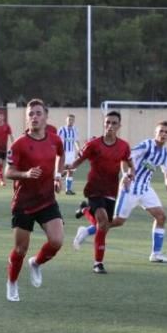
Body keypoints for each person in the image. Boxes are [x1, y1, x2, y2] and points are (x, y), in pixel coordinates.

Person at [3, 99, 65, 302]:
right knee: (20, 249)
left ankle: (36, 263)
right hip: (24, 204)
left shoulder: (55, 140)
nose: (34, 117)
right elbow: (8, 172)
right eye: (31, 114)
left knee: (56, 241)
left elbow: (61, 156)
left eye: (38, 113)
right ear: (27, 118)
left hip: (47, 200)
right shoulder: (19, 144)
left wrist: (57, 177)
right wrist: (26, 174)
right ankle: (12, 282)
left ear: (46, 116)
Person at [68, 111, 134, 274]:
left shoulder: (124, 146)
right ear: (104, 124)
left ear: (119, 126)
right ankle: (98, 263)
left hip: (111, 190)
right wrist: (67, 169)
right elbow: (79, 160)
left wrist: (128, 175)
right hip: (94, 188)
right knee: (103, 222)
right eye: (108, 122)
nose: (110, 126)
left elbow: (130, 164)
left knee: (104, 226)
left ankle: (84, 210)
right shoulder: (94, 144)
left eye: (114, 123)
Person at [105, 120, 167, 263]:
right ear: (155, 133)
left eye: (166, 132)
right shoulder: (146, 145)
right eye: (161, 131)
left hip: (145, 189)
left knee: (161, 217)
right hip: (130, 187)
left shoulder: (165, 154)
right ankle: (87, 231)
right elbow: (125, 158)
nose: (163, 134)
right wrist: (125, 175)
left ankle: (156, 254)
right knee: (118, 221)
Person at [56, 113, 81, 195]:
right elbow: (58, 141)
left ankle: (68, 189)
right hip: (64, 153)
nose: (71, 121)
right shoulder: (62, 130)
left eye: (72, 120)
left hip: (71, 153)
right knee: (61, 170)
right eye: (69, 119)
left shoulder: (75, 130)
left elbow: (76, 141)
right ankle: (55, 184)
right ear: (66, 120)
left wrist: (79, 150)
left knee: (71, 170)